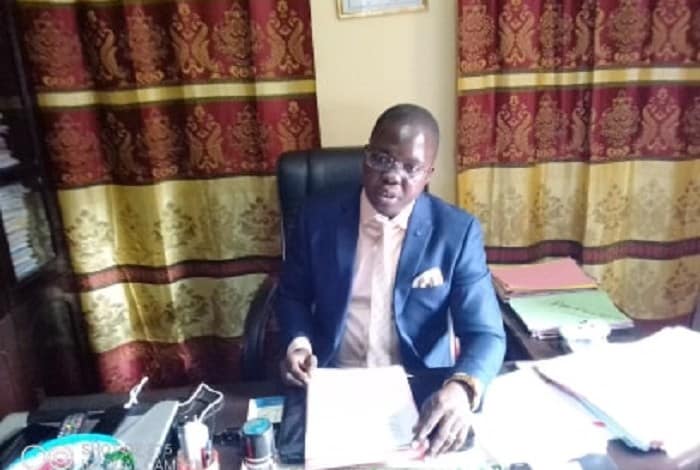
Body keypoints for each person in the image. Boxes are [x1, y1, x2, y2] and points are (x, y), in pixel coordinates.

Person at [276, 103, 505, 456]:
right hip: (334, 383)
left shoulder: (456, 233)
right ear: (365, 158)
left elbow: (486, 333)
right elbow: (292, 295)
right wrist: (298, 344)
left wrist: (461, 389)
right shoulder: (317, 218)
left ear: (428, 174)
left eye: (411, 167)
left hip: (420, 391)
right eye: (381, 159)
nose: (392, 176)